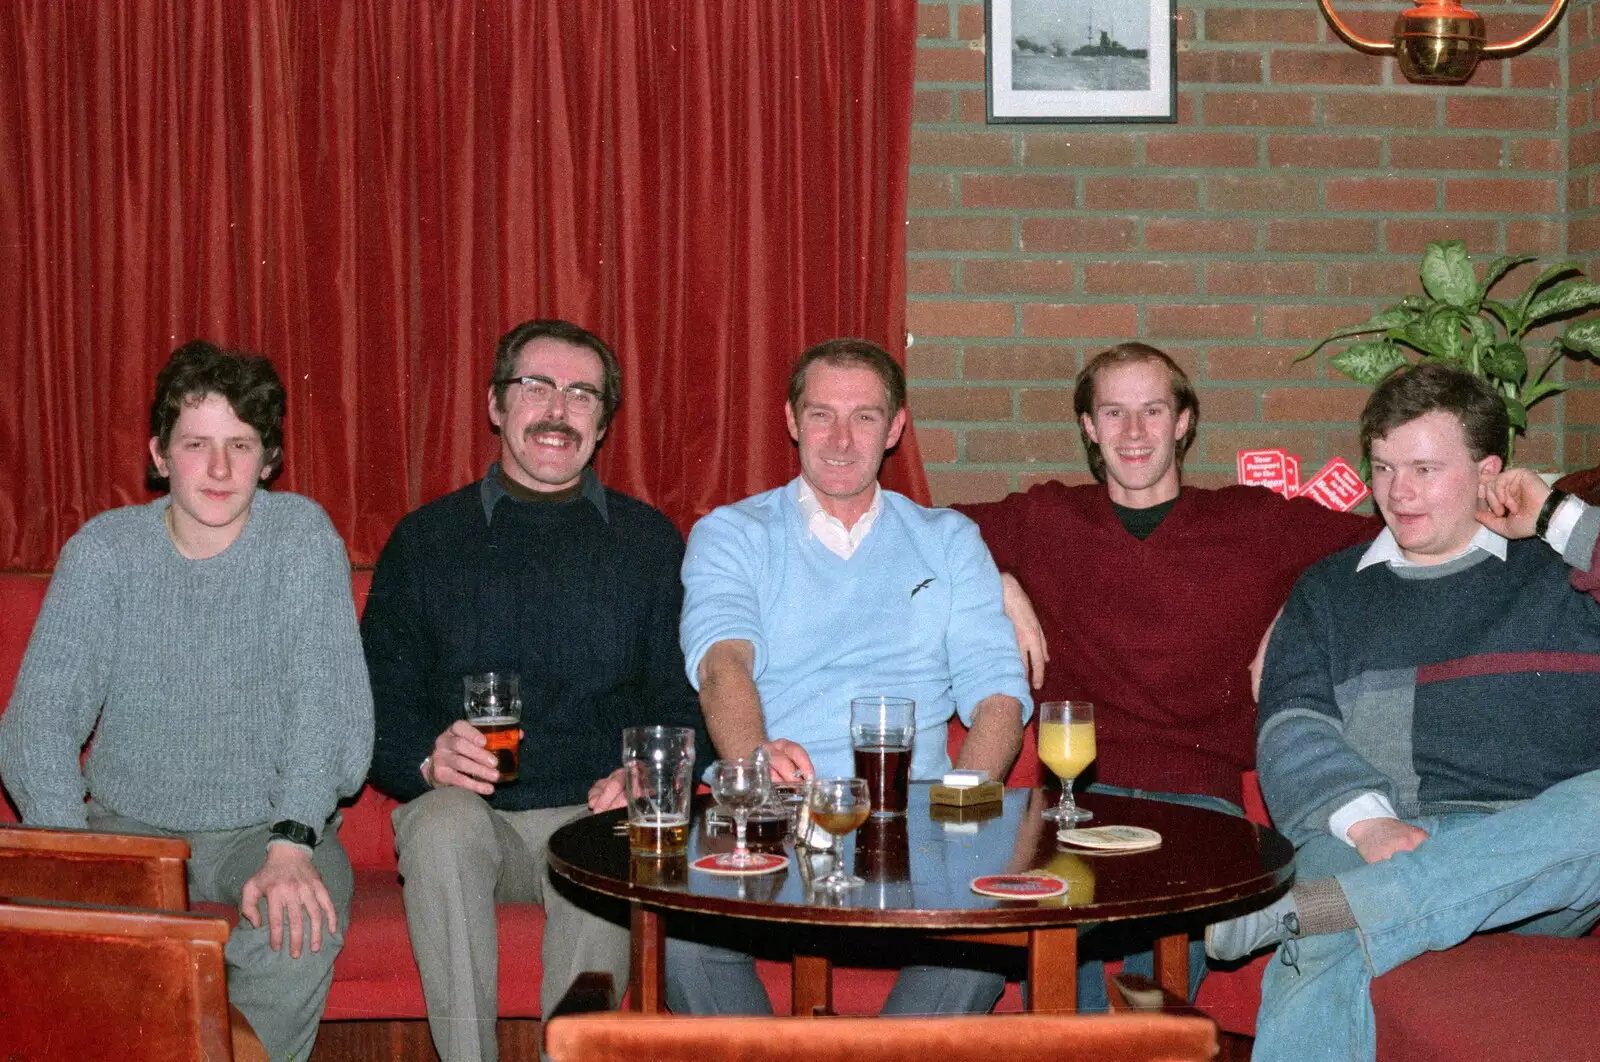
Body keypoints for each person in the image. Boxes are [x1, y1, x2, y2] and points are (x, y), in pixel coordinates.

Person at [951, 342, 1376, 1009]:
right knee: (1060, 957)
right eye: (1113, 413)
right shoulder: (1047, 518)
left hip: (1200, 805)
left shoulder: (1250, 522)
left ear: (1183, 422)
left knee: (1155, 970)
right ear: (1089, 428)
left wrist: (1294, 612)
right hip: (1075, 799)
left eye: (1153, 411)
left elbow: (1387, 540)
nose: (1134, 432)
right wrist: (998, 579)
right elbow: (916, 533)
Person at [1205, 362, 1600, 1062]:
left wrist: (1555, 516)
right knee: (1316, 948)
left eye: (1423, 468)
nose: (1397, 492)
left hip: (1533, 857)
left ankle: (1350, 906)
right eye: (1384, 468)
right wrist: (1370, 822)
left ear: (1489, 473)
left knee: (1319, 918)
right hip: (1371, 830)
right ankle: (1353, 906)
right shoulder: (1330, 591)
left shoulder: (1559, 575)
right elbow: (1291, 725)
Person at [0, 340, 374, 1062]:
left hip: (263, 827)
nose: (221, 468)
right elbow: (38, 718)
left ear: (268, 459)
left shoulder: (300, 538)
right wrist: (73, 855)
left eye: (241, 444)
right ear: (160, 454)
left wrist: (293, 842)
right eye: (197, 443)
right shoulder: (105, 550)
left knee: (301, 919)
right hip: (125, 825)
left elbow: (324, 704)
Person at [361, 318, 708, 1062]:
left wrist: (647, 776)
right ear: (496, 405)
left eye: (582, 395)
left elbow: (685, 705)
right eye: (537, 386)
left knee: (617, 838)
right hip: (472, 820)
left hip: (591, 810)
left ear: (603, 422)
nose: (558, 410)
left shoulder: (648, 545)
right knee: (440, 821)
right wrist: (425, 760)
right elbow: (376, 706)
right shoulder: (425, 542)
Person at [670, 337, 1032, 1014]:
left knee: (987, 942)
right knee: (682, 942)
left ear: (895, 428)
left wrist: (964, 807)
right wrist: (752, 760)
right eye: (820, 415)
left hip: (910, 816)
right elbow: (723, 666)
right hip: (771, 813)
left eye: (864, 417)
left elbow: (1000, 700)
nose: (840, 440)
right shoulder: (733, 533)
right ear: (790, 421)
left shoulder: (949, 539)